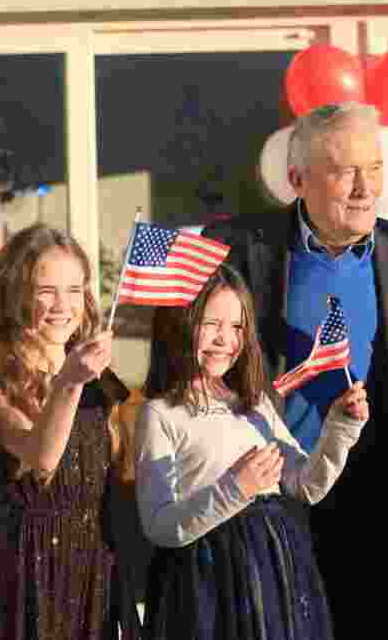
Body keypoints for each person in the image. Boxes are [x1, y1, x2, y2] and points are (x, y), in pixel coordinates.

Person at [201, 101, 388, 639]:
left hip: (376, 497)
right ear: (296, 179)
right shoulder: (239, 249)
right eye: (343, 171)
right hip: (276, 487)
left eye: (373, 168)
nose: (364, 188)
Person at [135, 263, 369, 640]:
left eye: (237, 327)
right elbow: (160, 525)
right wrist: (235, 488)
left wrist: (340, 428)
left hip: (275, 572)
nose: (225, 339)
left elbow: (305, 485)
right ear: (178, 322)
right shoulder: (161, 413)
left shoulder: (255, 403)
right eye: (211, 324)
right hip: (210, 584)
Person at [0, 223, 134, 640]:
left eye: (74, 290)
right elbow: (41, 456)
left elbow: (126, 468)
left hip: (97, 564)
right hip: (34, 569)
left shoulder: (101, 382)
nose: (62, 305)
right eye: (45, 290)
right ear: (15, 295)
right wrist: (68, 382)